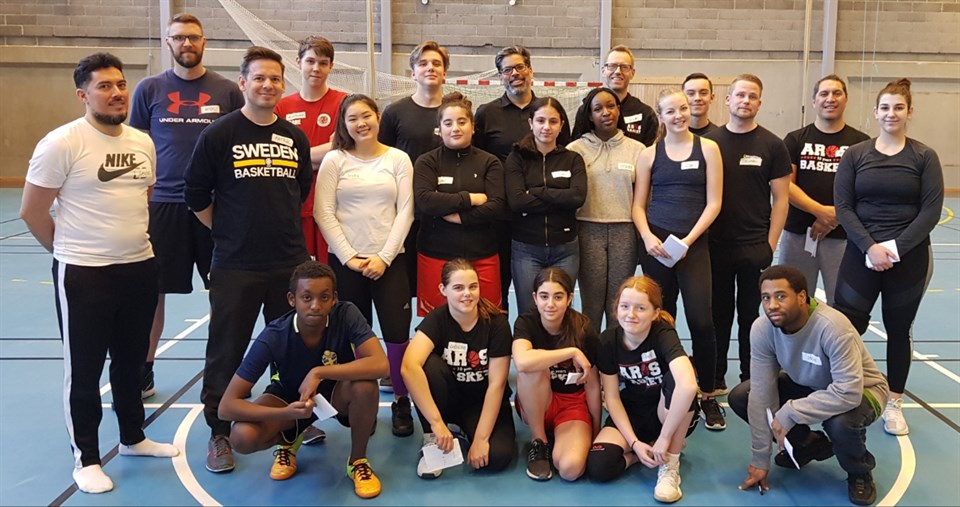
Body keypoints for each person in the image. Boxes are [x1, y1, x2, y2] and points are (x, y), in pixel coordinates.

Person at [20, 52, 179, 494]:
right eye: (104, 86)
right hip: (84, 274)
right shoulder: (62, 142)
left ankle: (133, 437)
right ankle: (86, 458)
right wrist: (69, 253)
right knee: (85, 370)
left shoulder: (143, 142)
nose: (116, 93)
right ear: (83, 95)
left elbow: (143, 196)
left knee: (131, 363)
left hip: (139, 267)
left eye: (121, 84)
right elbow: (32, 211)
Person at [184, 46, 313, 473]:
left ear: (283, 84)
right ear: (243, 83)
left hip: (288, 263)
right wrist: (225, 230)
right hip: (235, 265)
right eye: (259, 78)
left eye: (275, 78)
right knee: (227, 351)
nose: (267, 85)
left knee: (292, 349)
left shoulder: (294, 137)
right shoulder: (219, 134)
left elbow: (300, 190)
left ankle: (293, 420)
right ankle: (220, 431)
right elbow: (195, 194)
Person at [129, 13, 243, 399]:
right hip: (164, 206)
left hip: (215, 207)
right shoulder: (149, 89)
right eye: (178, 38)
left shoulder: (227, 91)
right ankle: (143, 369)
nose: (186, 44)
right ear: (168, 43)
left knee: (224, 293)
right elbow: (137, 147)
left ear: (204, 42)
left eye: (193, 37)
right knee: (151, 293)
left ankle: (223, 372)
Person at [218, 261, 388, 498]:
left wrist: (319, 372)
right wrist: (284, 414)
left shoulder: (346, 314)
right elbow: (226, 408)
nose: (316, 305)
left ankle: (357, 461)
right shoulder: (274, 335)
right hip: (289, 400)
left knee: (365, 386)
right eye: (307, 298)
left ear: (334, 298)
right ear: (292, 299)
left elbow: (381, 364)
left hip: (337, 394)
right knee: (241, 436)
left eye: (324, 297)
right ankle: (288, 442)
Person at [833, 78, 944, 437]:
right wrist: (869, 247)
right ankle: (844, 388)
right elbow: (844, 206)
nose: (891, 113)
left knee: (899, 328)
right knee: (846, 327)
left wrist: (894, 249)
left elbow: (930, 211)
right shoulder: (856, 155)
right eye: (885, 107)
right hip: (860, 254)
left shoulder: (924, 157)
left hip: (907, 258)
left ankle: (893, 401)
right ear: (875, 112)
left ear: (910, 112)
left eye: (898, 107)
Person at [730, 265, 889, 506]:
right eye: (766, 298)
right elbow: (762, 394)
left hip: (863, 390)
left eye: (780, 296)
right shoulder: (762, 329)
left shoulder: (833, 327)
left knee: (840, 423)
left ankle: (859, 471)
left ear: (802, 297)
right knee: (744, 395)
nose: (772, 305)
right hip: (811, 385)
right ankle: (808, 444)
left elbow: (848, 392)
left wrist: (791, 411)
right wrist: (760, 459)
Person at [314, 94, 415, 438]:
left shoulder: (398, 159)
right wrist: (350, 258)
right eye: (352, 118)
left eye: (366, 115)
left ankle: (401, 400)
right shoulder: (334, 160)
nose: (361, 123)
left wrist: (384, 257)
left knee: (397, 336)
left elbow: (406, 211)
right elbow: (323, 212)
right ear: (344, 124)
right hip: (347, 264)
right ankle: (363, 404)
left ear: (378, 118)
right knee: (357, 337)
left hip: (390, 262)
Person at [633, 89, 725, 430]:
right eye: (670, 111)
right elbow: (638, 205)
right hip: (657, 246)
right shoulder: (649, 155)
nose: (679, 116)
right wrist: (648, 237)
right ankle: (665, 387)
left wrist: (688, 240)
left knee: (701, 320)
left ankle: (708, 394)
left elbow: (714, 202)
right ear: (660, 117)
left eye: (683, 108)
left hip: (693, 246)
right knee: (661, 319)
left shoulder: (708, 148)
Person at [704, 74, 791, 392]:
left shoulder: (773, 145)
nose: (745, 101)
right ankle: (714, 379)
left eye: (752, 96)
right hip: (715, 246)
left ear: (759, 103)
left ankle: (750, 379)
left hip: (754, 247)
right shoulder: (710, 143)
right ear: (728, 100)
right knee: (718, 315)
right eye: (740, 95)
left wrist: (770, 244)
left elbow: (781, 199)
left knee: (751, 318)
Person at [475, 45, 572, 312]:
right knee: (500, 288)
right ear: (500, 77)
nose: (515, 74)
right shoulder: (486, 113)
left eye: (520, 67)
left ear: (530, 70)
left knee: (547, 293)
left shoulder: (548, 111)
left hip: (542, 220)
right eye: (507, 70)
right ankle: (503, 337)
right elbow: (478, 160)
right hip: (501, 218)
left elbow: (563, 155)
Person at [585, 276, 699, 504]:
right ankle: (645, 453)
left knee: (677, 381)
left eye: (640, 308)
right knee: (599, 466)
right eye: (625, 306)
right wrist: (635, 445)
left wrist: (665, 437)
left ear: (655, 313)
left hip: (667, 413)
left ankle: (670, 463)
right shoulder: (608, 341)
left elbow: (688, 386)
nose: (631, 314)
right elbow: (612, 398)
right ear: (616, 309)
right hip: (632, 412)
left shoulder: (663, 334)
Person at [401, 259, 517, 479]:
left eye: (473, 286)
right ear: (443, 289)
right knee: (426, 366)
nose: (467, 294)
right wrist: (436, 423)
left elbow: (497, 384)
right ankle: (432, 438)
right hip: (447, 400)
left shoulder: (497, 324)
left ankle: (465, 431)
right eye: (458, 288)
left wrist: (481, 439)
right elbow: (408, 367)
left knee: (496, 458)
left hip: (481, 403)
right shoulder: (437, 319)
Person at [378, 40, 449, 396]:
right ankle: (400, 363)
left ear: (445, 72)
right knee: (401, 297)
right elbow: (380, 157)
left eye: (436, 63)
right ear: (413, 72)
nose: (430, 68)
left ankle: (440, 360)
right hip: (404, 220)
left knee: (441, 293)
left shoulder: (456, 110)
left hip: (447, 220)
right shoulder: (395, 113)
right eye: (423, 63)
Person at [779, 75, 869, 306]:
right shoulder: (795, 139)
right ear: (814, 101)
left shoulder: (861, 143)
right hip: (799, 235)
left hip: (844, 237)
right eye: (824, 93)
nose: (830, 99)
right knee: (794, 303)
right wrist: (820, 211)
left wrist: (834, 217)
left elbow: (864, 190)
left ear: (846, 99)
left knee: (842, 304)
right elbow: (786, 185)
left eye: (837, 93)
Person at [413, 92, 506, 315]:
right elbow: (425, 201)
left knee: (487, 318)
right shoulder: (426, 162)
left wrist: (460, 216)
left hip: (482, 254)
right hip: (435, 254)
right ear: (439, 129)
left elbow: (496, 205)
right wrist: (470, 199)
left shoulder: (489, 162)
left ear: (473, 127)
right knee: (437, 322)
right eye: (448, 123)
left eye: (462, 122)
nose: (455, 128)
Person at [512, 267, 602, 482]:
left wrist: (596, 430)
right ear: (535, 298)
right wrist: (572, 352)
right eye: (544, 296)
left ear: (569, 298)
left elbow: (592, 384)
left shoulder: (583, 328)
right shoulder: (526, 322)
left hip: (572, 406)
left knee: (570, 470)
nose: (550, 304)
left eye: (558, 297)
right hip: (538, 402)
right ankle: (539, 441)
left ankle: (562, 440)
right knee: (533, 366)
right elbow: (522, 362)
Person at [567, 87, 644, 331]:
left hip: (625, 231)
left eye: (611, 106)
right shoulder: (575, 150)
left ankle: (615, 350)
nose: (606, 112)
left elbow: (644, 197)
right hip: (588, 229)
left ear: (619, 110)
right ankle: (590, 351)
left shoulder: (638, 150)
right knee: (591, 302)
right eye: (598, 109)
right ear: (590, 116)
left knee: (620, 301)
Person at [505, 98, 587, 316]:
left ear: (561, 125)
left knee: (560, 312)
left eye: (553, 121)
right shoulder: (516, 159)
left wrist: (537, 191)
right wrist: (560, 198)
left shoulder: (573, 159)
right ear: (531, 123)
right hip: (526, 248)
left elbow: (577, 197)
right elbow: (517, 201)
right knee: (530, 312)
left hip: (565, 248)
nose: (546, 127)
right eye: (540, 121)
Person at [275, 35, 348, 264]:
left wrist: (296, 157)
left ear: (331, 67)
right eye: (310, 61)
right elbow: (279, 157)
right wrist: (324, 152)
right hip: (296, 204)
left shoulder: (344, 103)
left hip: (335, 205)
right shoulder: (282, 106)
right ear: (298, 62)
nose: (316, 68)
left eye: (323, 63)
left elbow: (343, 148)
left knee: (332, 272)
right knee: (302, 273)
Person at [575, 45, 658, 146]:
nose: (618, 71)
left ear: (632, 73)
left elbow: (649, 152)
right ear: (603, 71)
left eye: (624, 67)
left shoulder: (646, 114)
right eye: (612, 66)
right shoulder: (585, 111)